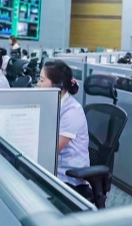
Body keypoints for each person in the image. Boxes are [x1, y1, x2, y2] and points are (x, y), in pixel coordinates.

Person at [37, 60, 92, 199]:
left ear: (58, 85)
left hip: (68, 177)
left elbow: (52, 150)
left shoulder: (72, 111)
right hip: (52, 169)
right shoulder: (51, 104)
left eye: (42, 80)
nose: (38, 84)